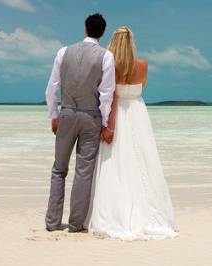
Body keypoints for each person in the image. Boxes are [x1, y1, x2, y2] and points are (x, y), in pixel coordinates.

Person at [85, 26, 177, 240]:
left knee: (116, 163)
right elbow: (139, 89)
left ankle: (118, 210)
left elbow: (114, 98)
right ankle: (151, 211)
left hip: (118, 115)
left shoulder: (110, 65)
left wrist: (109, 126)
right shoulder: (142, 65)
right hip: (137, 113)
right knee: (143, 161)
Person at [45, 13, 115, 233]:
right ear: (102, 33)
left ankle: (53, 222)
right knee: (83, 172)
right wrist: (105, 124)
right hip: (91, 117)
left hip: (66, 113)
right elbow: (106, 95)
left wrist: (54, 115)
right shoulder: (106, 56)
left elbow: (51, 89)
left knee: (59, 170)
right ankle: (75, 224)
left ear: (85, 29)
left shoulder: (63, 52)